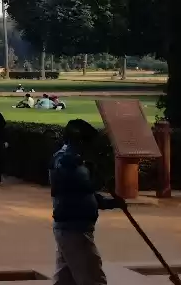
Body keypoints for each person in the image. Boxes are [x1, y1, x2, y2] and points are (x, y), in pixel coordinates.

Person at [49, 119, 126, 285]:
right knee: (93, 278)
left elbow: (85, 194)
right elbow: (73, 181)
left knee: (66, 279)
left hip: (73, 228)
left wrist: (109, 203)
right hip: (74, 230)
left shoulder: (78, 162)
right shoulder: (65, 160)